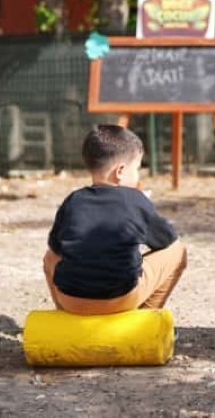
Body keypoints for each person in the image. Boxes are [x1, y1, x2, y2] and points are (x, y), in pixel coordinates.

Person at [43, 125, 187, 314]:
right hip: (119, 299)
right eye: (136, 169)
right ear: (120, 171)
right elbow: (167, 240)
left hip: (70, 300)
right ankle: (145, 317)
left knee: (50, 257)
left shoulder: (73, 200)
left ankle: (65, 316)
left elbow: (55, 251)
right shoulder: (135, 200)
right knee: (178, 251)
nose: (137, 176)